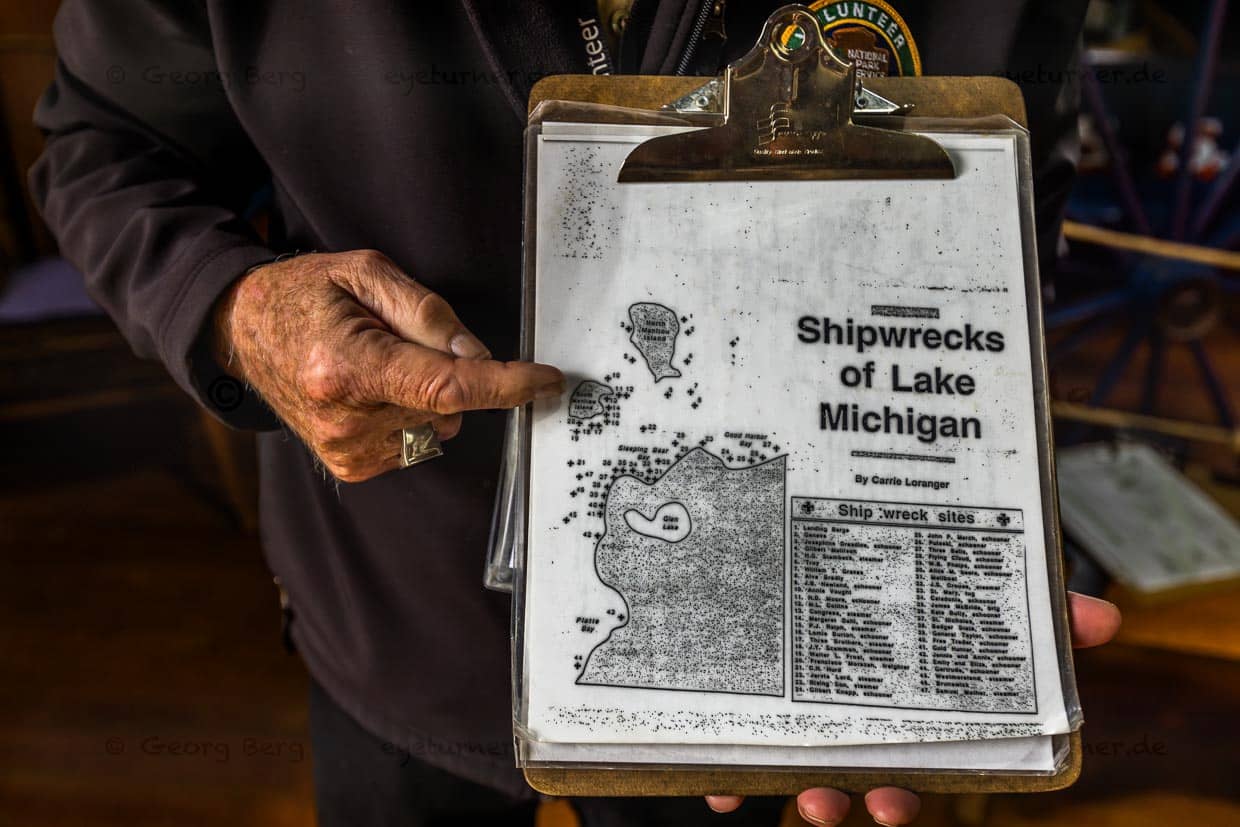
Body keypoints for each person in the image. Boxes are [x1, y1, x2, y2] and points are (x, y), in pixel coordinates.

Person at [31, 2, 1120, 825]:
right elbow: (105, 146)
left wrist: (950, 512)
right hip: (397, 597)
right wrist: (235, 308)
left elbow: (1008, 199)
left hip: (759, 661)